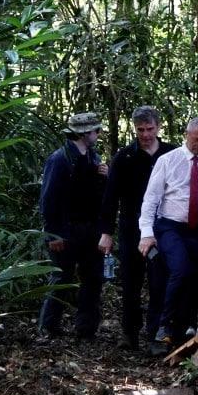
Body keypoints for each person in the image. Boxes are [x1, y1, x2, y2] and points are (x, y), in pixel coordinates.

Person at [138, 116, 198, 349]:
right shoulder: (168, 160)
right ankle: (163, 325)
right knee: (179, 269)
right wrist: (146, 233)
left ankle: (187, 327)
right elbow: (151, 200)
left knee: (197, 279)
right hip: (170, 226)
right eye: (196, 139)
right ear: (187, 135)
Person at [102, 106, 177, 350]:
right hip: (131, 228)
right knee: (131, 283)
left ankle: (156, 332)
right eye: (140, 130)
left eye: (150, 129)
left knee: (160, 282)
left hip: (163, 228)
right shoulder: (124, 157)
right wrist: (106, 232)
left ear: (158, 127)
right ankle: (129, 332)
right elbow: (110, 197)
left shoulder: (171, 153)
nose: (145, 134)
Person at [38, 111, 110, 339]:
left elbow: (98, 195)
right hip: (66, 229)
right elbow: (48, 199)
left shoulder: (93, 156)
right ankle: (48, 328)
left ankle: (86, 329)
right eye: (95, 131)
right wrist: (53, 235)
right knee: (61, 278)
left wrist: (105, 176)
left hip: (90, 230)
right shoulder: (59, 159)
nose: (98, 134)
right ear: (84, 133)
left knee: (93, 279)